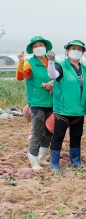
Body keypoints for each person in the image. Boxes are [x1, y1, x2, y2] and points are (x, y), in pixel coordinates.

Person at [46, 40, 86, 173]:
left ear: (82, 53)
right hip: (63, 110)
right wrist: (51, 62)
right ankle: (54, 163)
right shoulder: (61, 66)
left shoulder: (85, 69)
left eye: (79, 49)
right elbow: (53, 75)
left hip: (78, 110)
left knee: (76, 137)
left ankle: (75, 161)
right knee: (58, 137)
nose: (76, 51)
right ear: (67, 51)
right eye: (73, 48)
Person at [16, 36, 54, 170]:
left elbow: (58, 77)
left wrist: (53, 83)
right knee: (37, 132)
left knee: (49, 131)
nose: (39, 48)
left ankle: (41, 157)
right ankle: (33, 159)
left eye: (41, 45)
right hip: (37, 103)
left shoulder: (50, 62)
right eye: (36, 46)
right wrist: (21, 61)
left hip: (51, 103)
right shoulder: (29, 63)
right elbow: (20, 77)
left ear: (46, 47)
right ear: (32, 49)